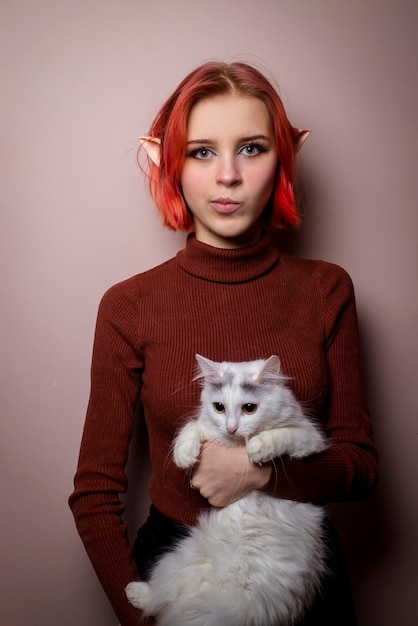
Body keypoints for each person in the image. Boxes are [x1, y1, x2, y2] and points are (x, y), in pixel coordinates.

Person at [69, 61, 379, 626]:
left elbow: (360, 464)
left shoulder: (326, 289)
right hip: (180, 568)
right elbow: (94, 492)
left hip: (293, 570)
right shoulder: (129, 305)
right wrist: (142, 617)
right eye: (202, 151)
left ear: (284, 157)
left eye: (253, 148)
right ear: (170, 163)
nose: (229, 176)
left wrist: (259, 475)